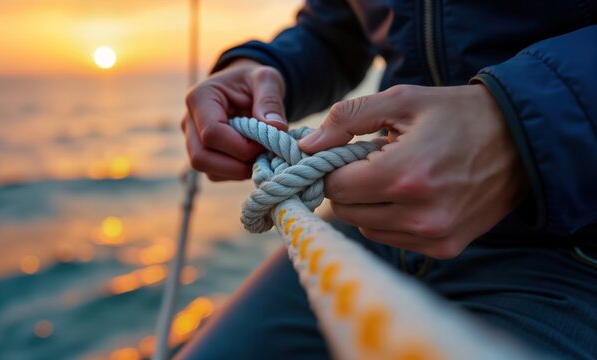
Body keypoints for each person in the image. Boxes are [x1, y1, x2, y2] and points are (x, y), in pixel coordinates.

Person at [178, 1, 597, 358]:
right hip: (374, 231)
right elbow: (335, 28)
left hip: (573, 247)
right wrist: (265, 66)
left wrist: (521, 126)